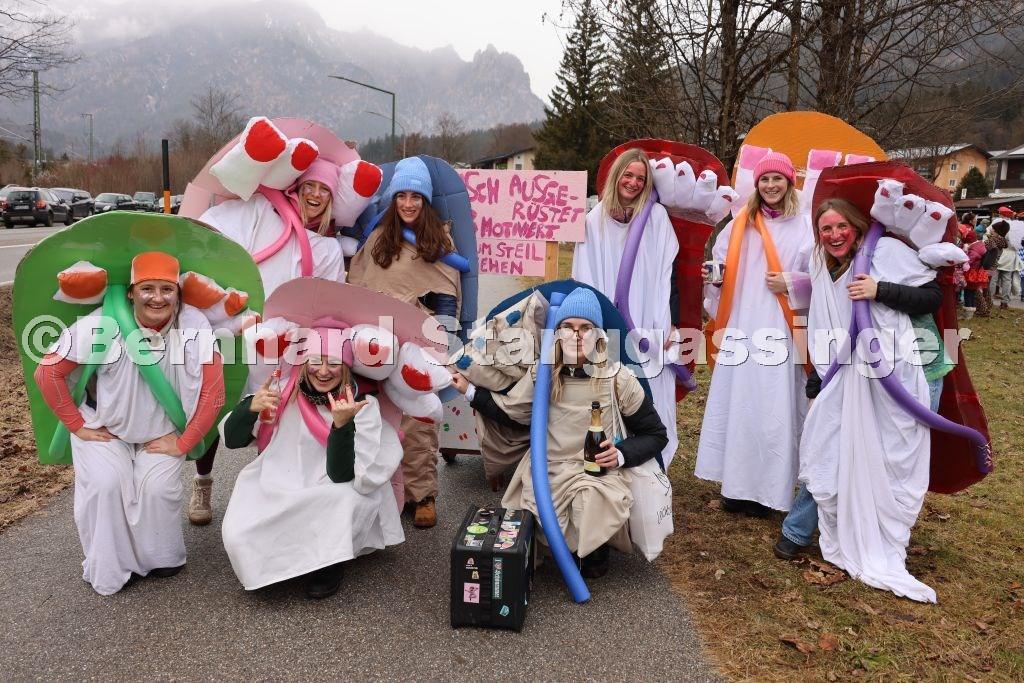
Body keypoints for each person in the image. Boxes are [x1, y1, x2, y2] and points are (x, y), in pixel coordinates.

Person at [33, 252, 224, 595]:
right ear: (131, 293)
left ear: (178, 293)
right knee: (106, 485)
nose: (157, 298)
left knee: (157, 490)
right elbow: (47, 374)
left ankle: (161, 557)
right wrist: (77, 425)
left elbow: (214, 391)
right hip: (107, 428)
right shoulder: (102, 323)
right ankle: (113, 566)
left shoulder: (192, 324)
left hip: (162, 431)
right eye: (147, 288)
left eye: (167, 289)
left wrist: (184, 442)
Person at [774, 199, 946, 563]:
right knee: (831, 442)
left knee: (893, 458)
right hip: (851, 372)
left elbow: (932, 297)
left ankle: (882, 538)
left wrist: (879, 289)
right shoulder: (822, 264)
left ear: (856, 225)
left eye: (841, 226)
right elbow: (825, 324)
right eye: (825, 229)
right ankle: (796, 531)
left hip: (914, 369)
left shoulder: (885, 251)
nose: (834, 235)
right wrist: (818, 381)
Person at [452, 287, 667, 578]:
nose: (576, 335)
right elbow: (515, 415)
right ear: (557, 333)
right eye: (568, 327)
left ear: (598, 335)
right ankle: (557, 545)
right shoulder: (541, 374)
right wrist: (470, 391)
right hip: (547, 470)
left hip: (595, 475)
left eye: (585, 328)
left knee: (591, 504)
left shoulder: (618, 379)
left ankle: (592, 550)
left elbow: (655, 434)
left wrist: (620, 455)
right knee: (529, 521)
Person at [188, 159, 349, 525]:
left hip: (282, 347)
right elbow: (212, 231)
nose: (315, 195)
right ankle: (202, 482)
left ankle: (268, 490)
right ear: (296, 188)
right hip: (234, 332)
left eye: (324, 190)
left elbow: (327, 305)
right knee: (214, 406)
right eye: (310, 186)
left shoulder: (326, 249)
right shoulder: (262, 214)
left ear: (332, 200)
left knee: (272, 416)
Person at [219, 326, 403, 599]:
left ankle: (328, 564)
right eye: (316, 361)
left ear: (346, 367)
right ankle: (284, 561)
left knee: (342, 501)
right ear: (304, 363)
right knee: (238, 534)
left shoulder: (360, 406)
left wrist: (341, 426)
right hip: (279, 479)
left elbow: (342, 474)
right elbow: (233, 441)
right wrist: (248, 409)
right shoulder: (282, 393)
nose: (324, 371)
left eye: (334, 363)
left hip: (333, 485)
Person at [694, 152, 813, 516]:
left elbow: (822, 277)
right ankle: (735, 488)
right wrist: (714, 279)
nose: (771, 185)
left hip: (780, 329)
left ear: (789, 183)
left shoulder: (805, 226)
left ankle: (771, 491)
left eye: (778, 179)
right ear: (757, 185)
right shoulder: (738, 225)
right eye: (765, 179)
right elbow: (721, 268)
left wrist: (792, 282)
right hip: (742, 325)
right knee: (740, 405)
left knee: (775, 408)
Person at [348, 157, 461, 529]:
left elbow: (446, 293)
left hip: (417, 337)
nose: (408, 204)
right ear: (393, 199)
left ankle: (422, 494)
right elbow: (356, 285)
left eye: (416, 197)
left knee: (418, 417)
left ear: (425, 200)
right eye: (402, 196)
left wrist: (443, 340)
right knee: (374, 415)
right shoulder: (378, 237)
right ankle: (380, 491)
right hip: (375, 337)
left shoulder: (439, 240)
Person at [571, 148, 680, 469]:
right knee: (608, 390)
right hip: (608, 324)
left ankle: (652, 462)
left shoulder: (656, 219)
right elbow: (584, 276)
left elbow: (668, 273)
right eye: (628, 175)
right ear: (616, 176)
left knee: (649, 389)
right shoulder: (594, 221)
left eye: (640, 178)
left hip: (647, 324)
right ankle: (608, 455)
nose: (633, 183)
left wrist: (670, 322)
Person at [988, 221, 1022, 309]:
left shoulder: (998, 236)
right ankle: (1004, 302)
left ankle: (989, 300)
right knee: (1007, 280)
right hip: (1010, 258)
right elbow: (1018, 247)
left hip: (998, 257)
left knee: (993, 279)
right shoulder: (1016, 236)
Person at [962, 230, 990, 318]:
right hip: (978, 273)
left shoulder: (974, 250)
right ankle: (971, 310)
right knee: (973, 292)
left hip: (972, 273)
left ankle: (968, 313)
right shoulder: (980, 245)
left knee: (968, 291)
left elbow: (968, 261)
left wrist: (965, 252)